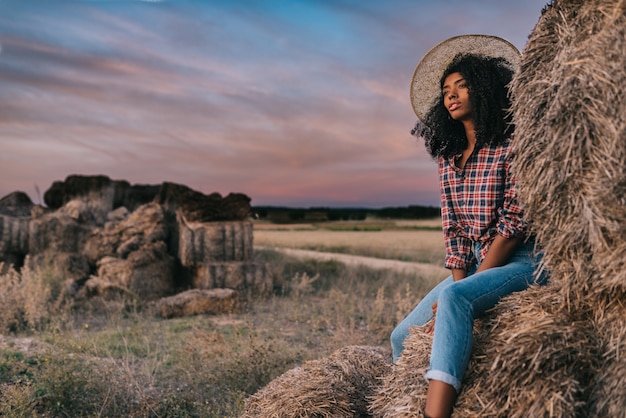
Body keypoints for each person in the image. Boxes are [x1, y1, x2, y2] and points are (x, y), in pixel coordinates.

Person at [389, 35, 549, 418]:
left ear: (486, 90)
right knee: (401, 336)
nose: (452, 94)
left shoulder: (512, 148)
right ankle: (400, 407)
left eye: (462, 85)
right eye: (446, 90)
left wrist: (459, 297)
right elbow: (456, 235)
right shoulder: (448, 159)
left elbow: (513, 228)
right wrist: (462, 284)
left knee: (456, 302)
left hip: (522, 262)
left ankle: (436, 414)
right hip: (476, 264)